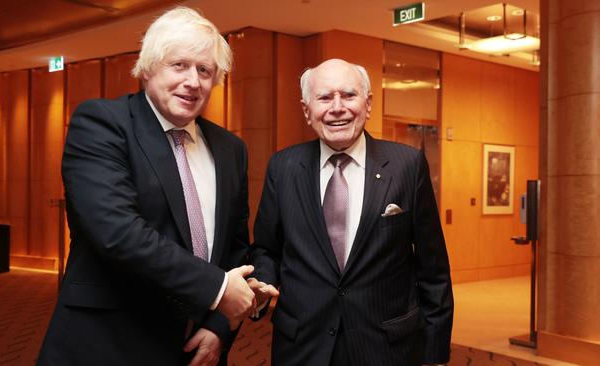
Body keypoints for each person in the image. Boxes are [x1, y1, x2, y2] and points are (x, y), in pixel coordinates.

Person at [38, 7, 256, 366]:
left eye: (204, 70)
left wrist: (220, 324)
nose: (193, 81)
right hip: (108, 344)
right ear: (148, 68)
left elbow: (235, 247)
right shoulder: (103, 123)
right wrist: (218, 290)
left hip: (196, 348)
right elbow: (118, 233)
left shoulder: (231, 149)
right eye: (179, 65)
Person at [249, 59, 454, 366]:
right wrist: (263, 283)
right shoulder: (283, 166)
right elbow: (266, 248)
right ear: (306, 110)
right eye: (324, 97)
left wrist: (434, 352)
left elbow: (433, 267)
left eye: (348, 95)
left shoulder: (407, 166)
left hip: (386, 347)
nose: (337, 107)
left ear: (367, 104)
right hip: (302, 345)